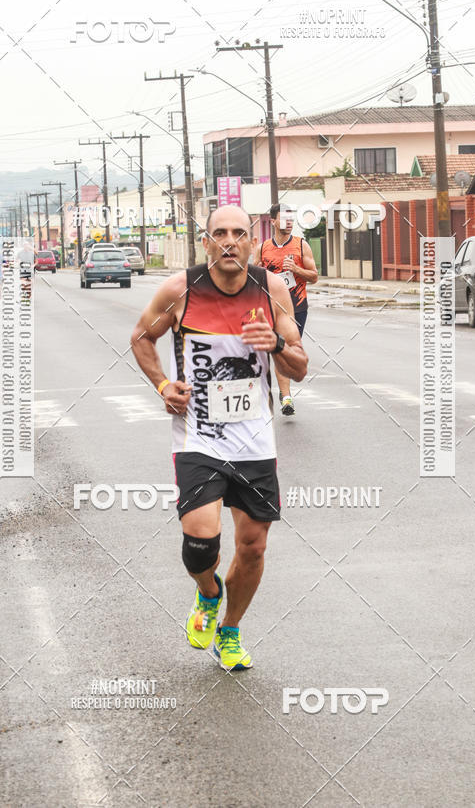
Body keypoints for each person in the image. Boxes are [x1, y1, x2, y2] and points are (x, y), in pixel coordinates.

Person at [131, 205, 308, 670]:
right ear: (205, 242)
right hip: (199, 438)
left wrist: (277, 345)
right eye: (219, 234)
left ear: (252, 243)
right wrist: (164, 386)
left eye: (239, 233)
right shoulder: (179, 291)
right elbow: (141, 338)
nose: (229, 241)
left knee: (253, 546)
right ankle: (208, 592)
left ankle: (229, 630)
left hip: (254, 442)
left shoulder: (271, 291)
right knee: (201, 541)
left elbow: (301, 367)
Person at [254, 205, 318, 415]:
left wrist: (297, 269)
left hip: (297, 307)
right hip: (271, 307)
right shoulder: (263, 248)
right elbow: (252, 277)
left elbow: (314, 276)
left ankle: (284, 393)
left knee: (288, 351)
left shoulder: (301, 246)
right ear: (272, 221)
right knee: (279, 348)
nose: (289, 222)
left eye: (291, 219)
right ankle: (287, 397)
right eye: (284, 219)